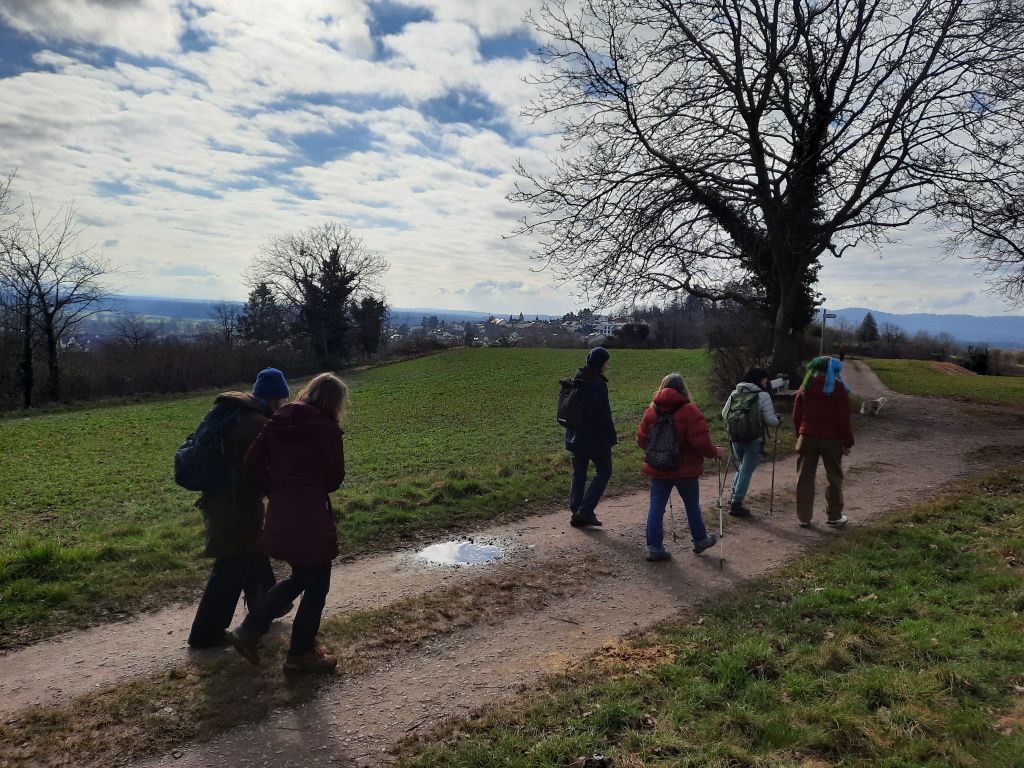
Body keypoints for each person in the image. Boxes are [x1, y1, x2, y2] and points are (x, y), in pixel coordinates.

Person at [227, 372, 347, 672]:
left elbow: (252, 462)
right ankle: (298, 652)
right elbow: (334, 480)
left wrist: (275, 489)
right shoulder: (326, 429)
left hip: (281, 512)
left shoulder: (279, 419)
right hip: (311, 516)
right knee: (317, 583)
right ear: (335, 402)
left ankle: (255, 631)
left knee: (303, 577)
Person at [188, 368, 290, 649]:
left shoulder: (237, 413)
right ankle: (205, 634)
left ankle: (269, 606)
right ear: (274, 398)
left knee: (252, 552)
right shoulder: (257, 423)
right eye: (282, 400)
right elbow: (265, 468)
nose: (282, 405)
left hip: (224, 500)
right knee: (230, 566)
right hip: (236, 504)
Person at [636, 373, 723, 561]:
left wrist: (659, 452)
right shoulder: (690, 411)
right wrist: (714, 451)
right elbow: (701, 443)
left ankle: (654, 547)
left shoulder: (651, 410)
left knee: (656, 508)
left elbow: (642, 440)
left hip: (659, 468)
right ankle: (700, 540)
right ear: (683, 388)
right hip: (686, 469)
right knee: (692, 506)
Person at [792, 356, 854, 528]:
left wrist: (800, 433)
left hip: (807, 436)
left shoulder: (806, 386)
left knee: (804, 478)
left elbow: (797, 413)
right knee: (834, 477)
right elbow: (843, 419)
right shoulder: (838, 388)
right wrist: (847, 442)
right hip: (832, 439)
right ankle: (834, 516)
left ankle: (804, 517)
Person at [564, 347, 617, 528]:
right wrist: (610, 438)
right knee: (604, 471)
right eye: (606, 362)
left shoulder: (579, 378)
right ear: (600, 364)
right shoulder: (597, 384)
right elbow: (602, 414)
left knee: (579, 473)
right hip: (595, 439)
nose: (608, 366)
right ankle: (585, 511)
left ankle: (576, 511)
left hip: (575, 437)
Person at [720, 367, 780, 518]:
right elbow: (770, 421)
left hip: (736, 437)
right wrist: (778, 420)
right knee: (746, 470)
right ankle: (736, 504)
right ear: (759, 379)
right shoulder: (763, 396)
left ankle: (733, 496)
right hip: (754, 439)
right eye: (765, 379)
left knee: (743, 467)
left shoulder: (735, 393)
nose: (766, 381)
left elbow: (724, 414)